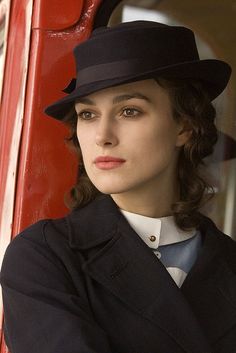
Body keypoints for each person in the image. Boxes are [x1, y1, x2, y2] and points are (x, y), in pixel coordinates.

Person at [1, 20, 235, 353]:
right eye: (87, 115)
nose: (102, 136)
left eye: (129, 110)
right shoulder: (45, 257)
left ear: (184, 126)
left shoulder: (228, 262)